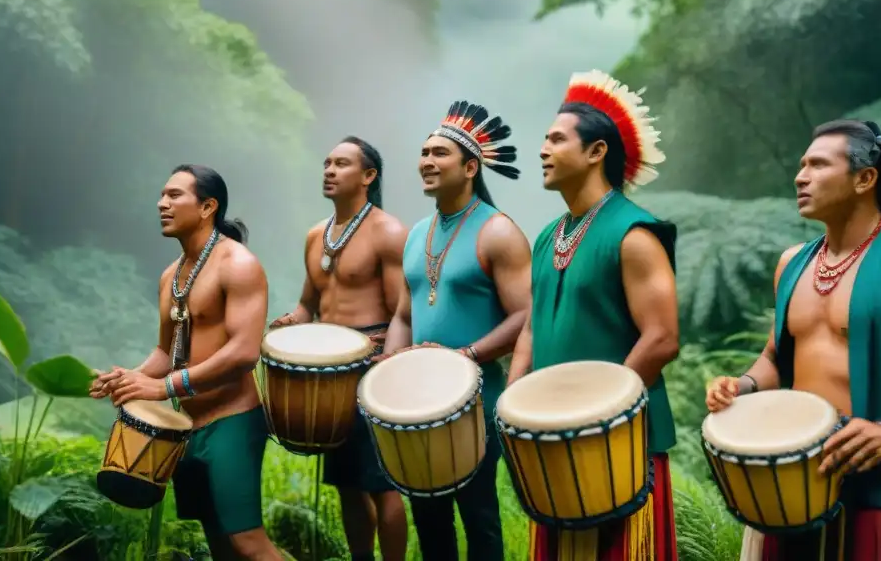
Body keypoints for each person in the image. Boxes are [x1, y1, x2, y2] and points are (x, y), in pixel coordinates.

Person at [705, 119, 881, 561]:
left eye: (817, 165)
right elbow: (778, 355)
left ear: (865, 179)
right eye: (801, 165)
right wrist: (743, 386)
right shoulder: (791, 264)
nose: (800, 176)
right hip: (791, 495)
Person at [507, 69, 681, 561]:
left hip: (620, 445)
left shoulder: (634, 233)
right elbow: (533, 325)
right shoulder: (548, 236)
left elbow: (663, 338)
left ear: (596, 152)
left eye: (556, 139)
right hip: (554, 438)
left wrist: (601, 411)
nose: (543, 149)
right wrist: (515, 402)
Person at [90, 164, 284, 561]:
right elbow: (167, 352)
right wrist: (130, 377)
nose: (163, 203)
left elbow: (245, 352)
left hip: (233, 421)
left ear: (207, 206)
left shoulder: (238, 264)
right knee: (218, 540)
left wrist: (163, 388)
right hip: (186, 428)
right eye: (162, 194)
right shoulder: (170, 276)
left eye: (175, 195)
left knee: (247, 542)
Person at [380, 100, 533, 561]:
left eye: (439, 153)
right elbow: (404, 316)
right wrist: (389, 368)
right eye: (424, 152)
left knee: (479, 516)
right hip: (419, 401)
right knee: (428, 519)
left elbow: (525, 314)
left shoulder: (499, 231)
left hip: (476, 400)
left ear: (470, 166)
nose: (426, 161)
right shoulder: (417, 234)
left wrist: (465, 356)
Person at [269, 136, 408, 561]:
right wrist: (288, 324)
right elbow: (308, 304)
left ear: (368, 177)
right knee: (347, 483)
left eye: (342, 164)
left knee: (382, 483)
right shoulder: (316, 235)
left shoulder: (388, 231)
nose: (329, 170)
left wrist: (381, 356)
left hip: (372, 368)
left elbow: (401, 310)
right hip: (329, 377)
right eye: (327, 163)